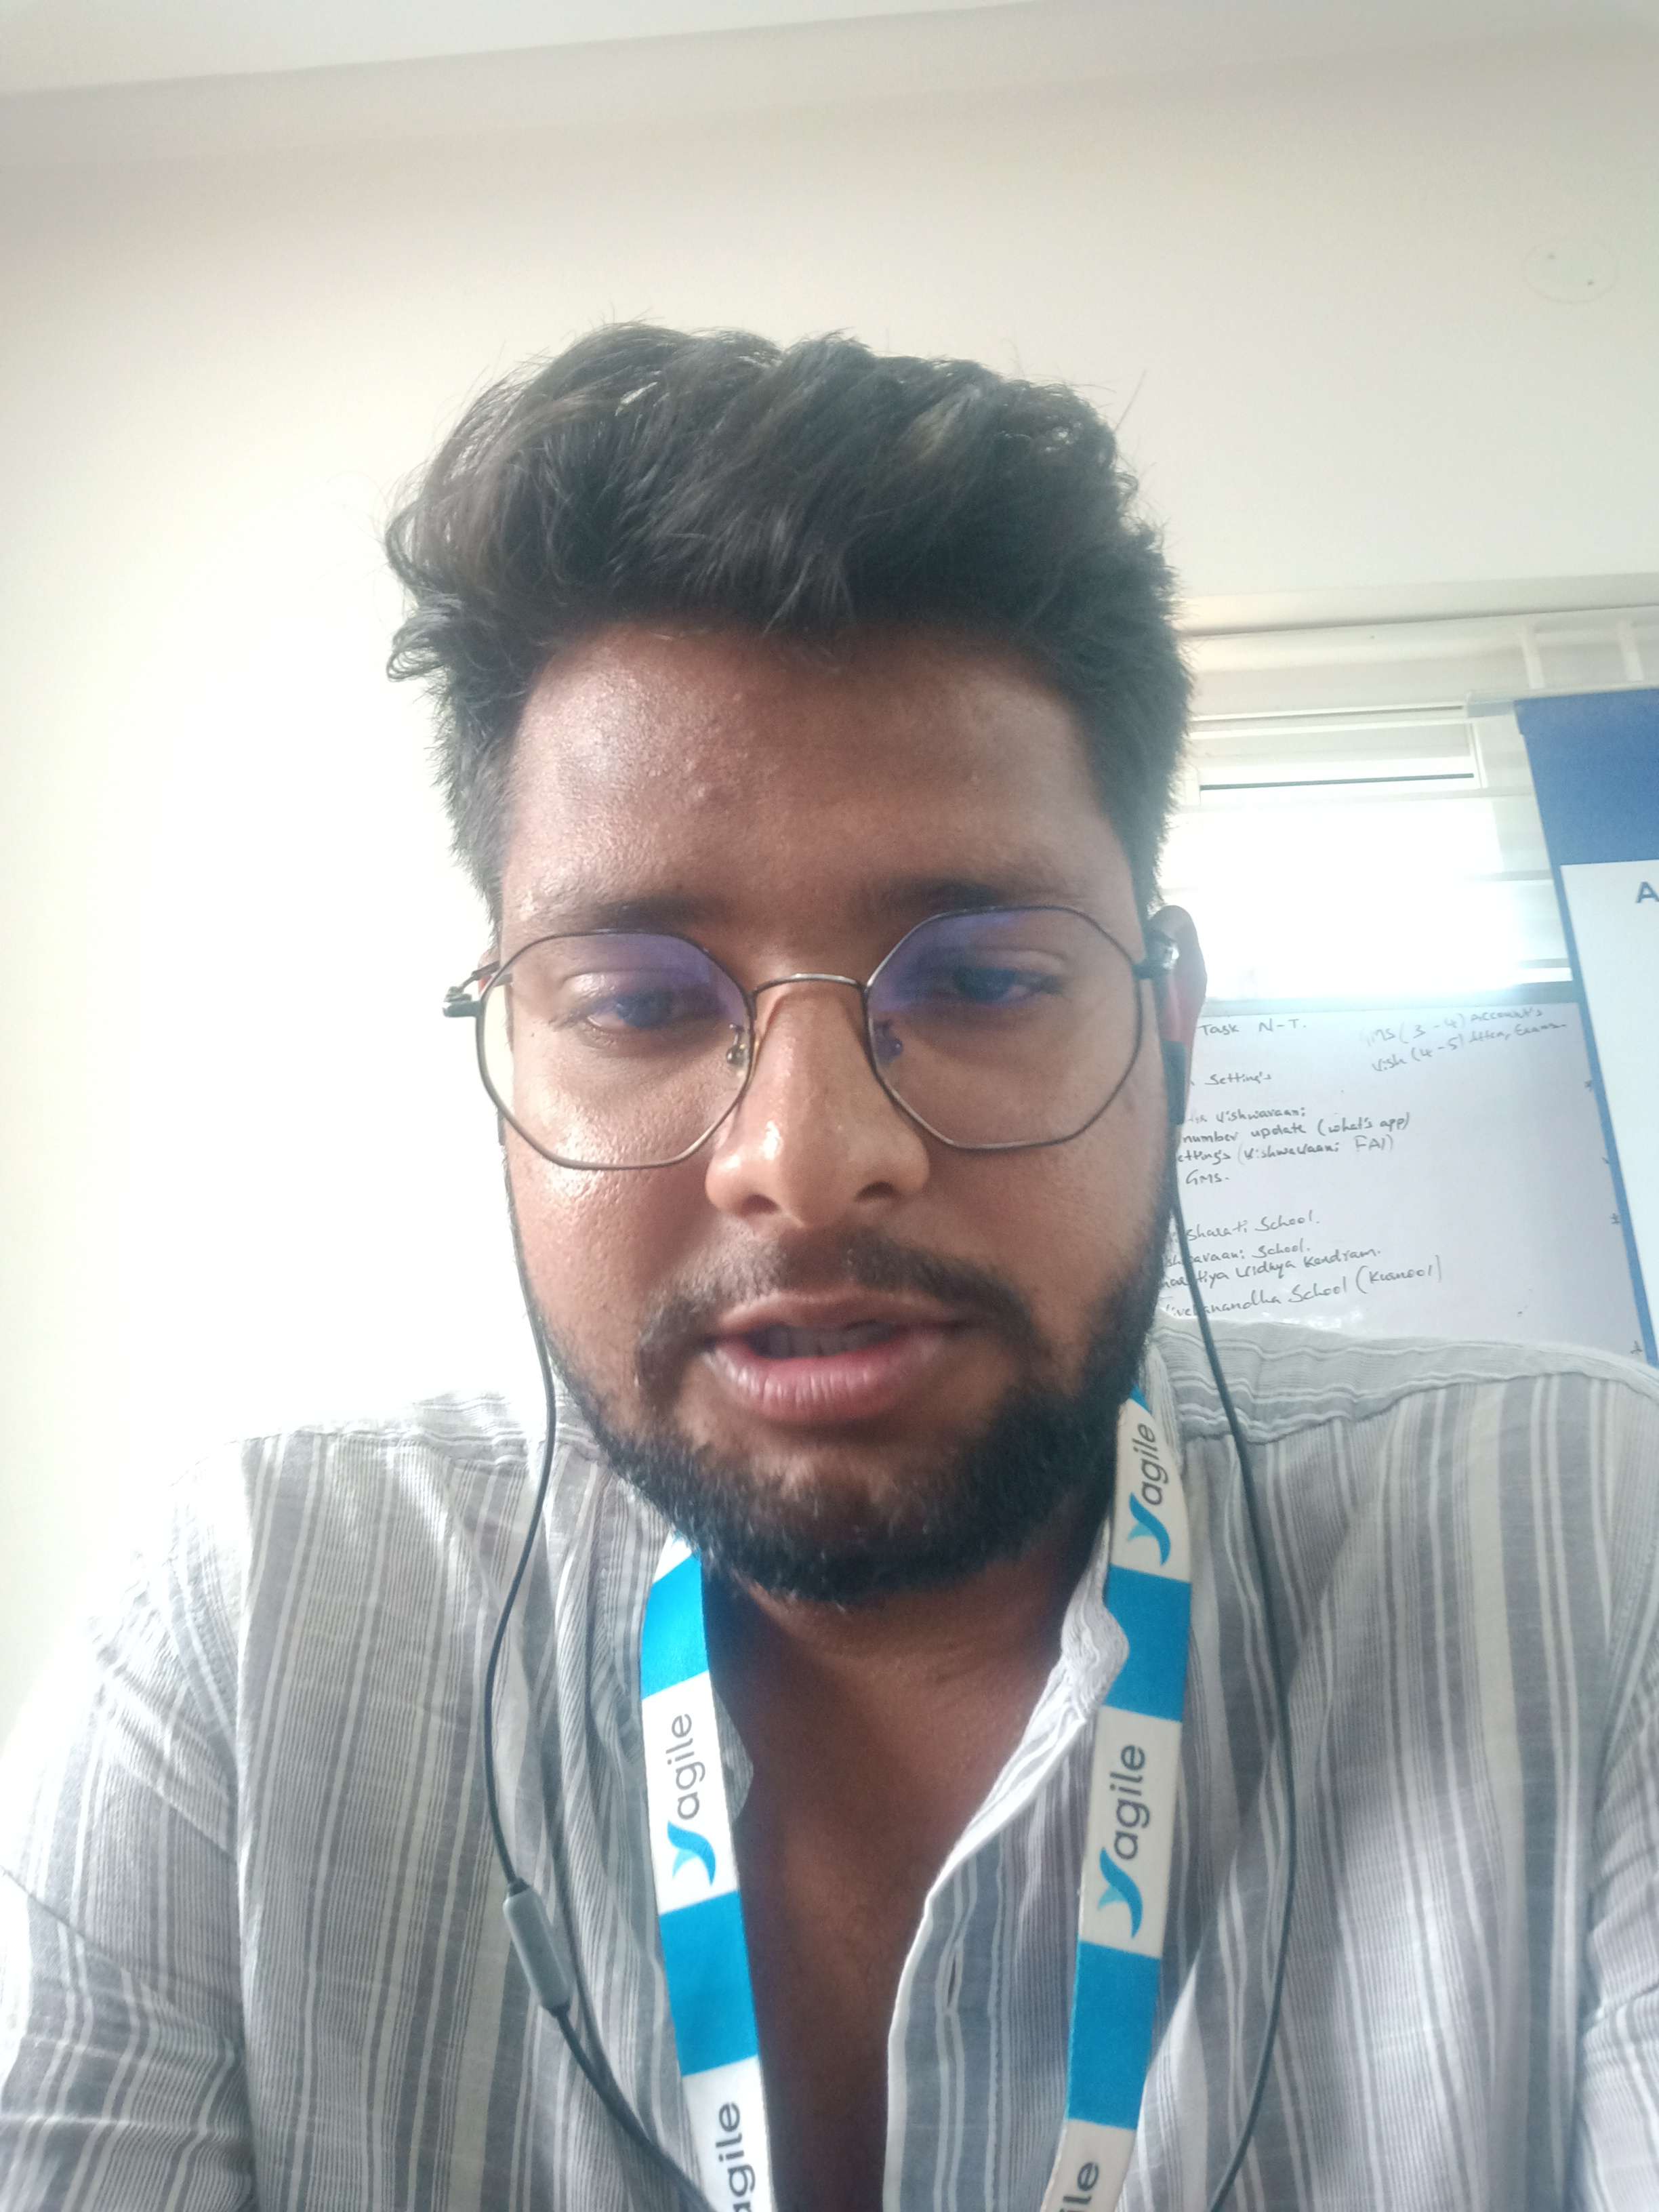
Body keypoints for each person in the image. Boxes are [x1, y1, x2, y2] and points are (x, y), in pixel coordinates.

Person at [2, 325, 1657, 2212]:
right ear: (508, 1060)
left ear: (1170, 1028)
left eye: (985, 978)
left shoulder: (1598, 1543)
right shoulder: (251, 1625)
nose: (804, 1157)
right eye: (637, 1003)